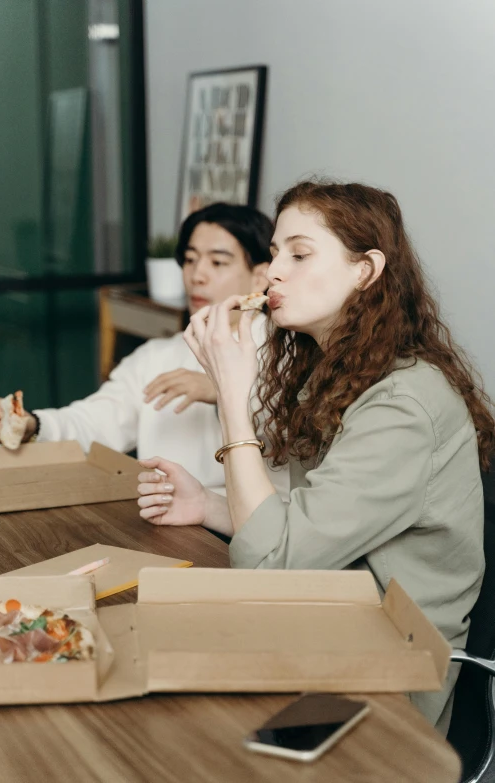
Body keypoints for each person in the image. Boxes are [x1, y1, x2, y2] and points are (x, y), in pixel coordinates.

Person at [137, 179, 494, 732]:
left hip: (382, 677)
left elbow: (270, 564)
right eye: (276, 252)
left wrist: (231, 393)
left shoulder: (402, 405)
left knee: (170, 716)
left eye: (299, 254)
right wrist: (208, 508)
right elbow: (308, 529)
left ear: (366, 270)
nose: (275, 270)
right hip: (324, 618)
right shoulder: (333, 379)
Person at [0, 203, 289, 497]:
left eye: (218, 262)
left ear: (259, 277)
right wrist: (33, 424)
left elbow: (295, 440)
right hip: (166, 511)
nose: (197, 275)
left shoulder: (287, 352)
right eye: (190, 260)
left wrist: (224, 392)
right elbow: (97, 421)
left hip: (245, 523)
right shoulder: (157, 355)